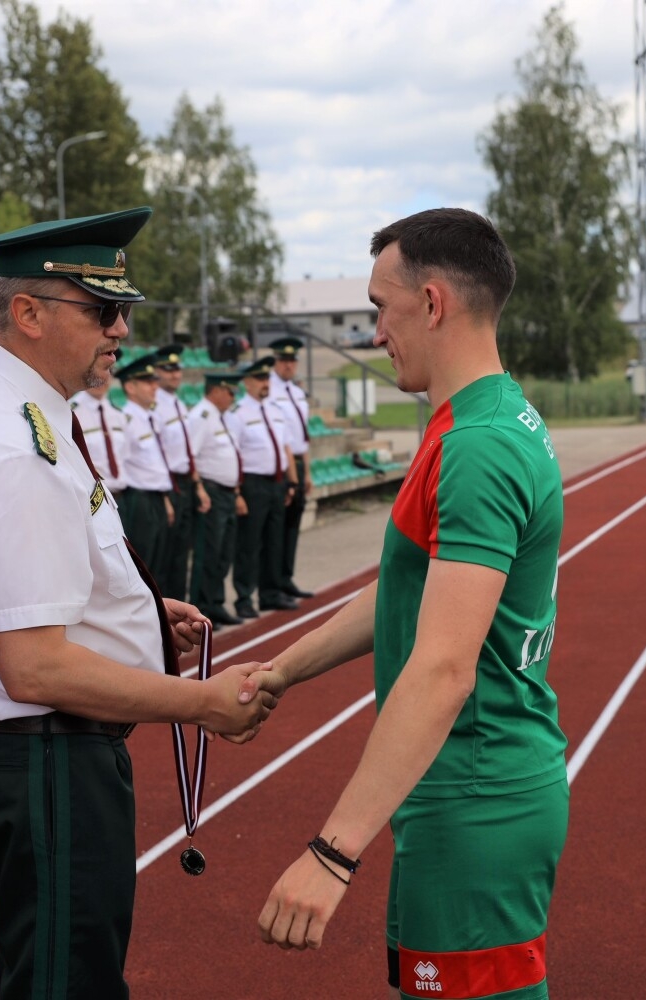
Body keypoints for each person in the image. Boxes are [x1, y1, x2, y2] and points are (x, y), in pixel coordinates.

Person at [0, 207, 278, 998]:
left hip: (49, 757)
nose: (120, 328)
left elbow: (52, 582)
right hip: (46, 760)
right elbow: (36, 666)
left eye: (123, 310)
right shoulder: (10, 447)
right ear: (29, 313)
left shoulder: (31, 416)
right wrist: (196, 701)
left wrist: (140, 616)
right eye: (101, 309)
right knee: (63, 984)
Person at [251, 209, 567, 1000]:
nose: (373, 331)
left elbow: (443, 667)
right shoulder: (474, 419)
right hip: (457, 786)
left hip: (475, 789)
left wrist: (332, 851)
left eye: (378, 309)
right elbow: (404, 594)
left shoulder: (477, 447)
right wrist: (282, 671)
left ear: (432, 304)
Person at [229, 355, 299, 620]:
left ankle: (270, 594)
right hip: (253, 484)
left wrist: (291, 481)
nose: (264, 382)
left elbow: (285, 447)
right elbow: (234, 453)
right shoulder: (238, 413)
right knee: (249, 543)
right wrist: (237, 492)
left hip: (277, 483)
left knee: (274, 540)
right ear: (246, 382)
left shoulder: (275, 410)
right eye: (259, 378)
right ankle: (244, 597)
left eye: (266, 377)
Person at [186, 371, 245, 627]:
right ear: (216, 391)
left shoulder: (219, 417)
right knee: (208, 552)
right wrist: (199, 488)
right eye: (230, 392)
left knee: (223, 552)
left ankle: (217, 602)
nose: (233, 397)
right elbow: (191, 455)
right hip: (211, 490)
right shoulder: (202, 416)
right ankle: (203, 608)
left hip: (226, 493)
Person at [115, 354, 178, 595]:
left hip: (157, 497)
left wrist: (165, 500)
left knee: (161, 563)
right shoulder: (125, 420)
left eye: (155, 381)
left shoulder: (152, 417)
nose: (155, 387)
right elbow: (123, 463)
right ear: (130, 387)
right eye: (148, 382)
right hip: (138, 499)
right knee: (145, 565)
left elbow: (156, 464)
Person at [152, 348, 210, 601]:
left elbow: (187, 450)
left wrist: (197, 485)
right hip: (169, 484)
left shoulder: (179, 404)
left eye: (177, 369)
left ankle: (179, 606)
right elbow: (157, 453)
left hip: (186, 483)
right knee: (164, 555)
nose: (175, 375)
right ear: (157, 373)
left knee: (180, 553)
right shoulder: (155, 407)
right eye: (168, 369)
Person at [266, 337, 316, 600]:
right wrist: (293, 474)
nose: (288, 366)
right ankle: (273, 583)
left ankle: (286, 578)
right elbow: (281, 436)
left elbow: (302, 437)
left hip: (298, 459)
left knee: (292, 526)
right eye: (284, 361)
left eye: (292, 361)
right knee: (277, 530)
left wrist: (307, 472)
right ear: (276, 362)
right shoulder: (269, 390)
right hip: (282, 464)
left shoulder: (297, 392)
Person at [69, 378, 130, 496]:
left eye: (106, 371)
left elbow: (126, 455)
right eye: (94, 373)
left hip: (123, 495)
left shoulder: (117, 413)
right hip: (93, 497)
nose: (100, 380)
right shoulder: (70, 411)